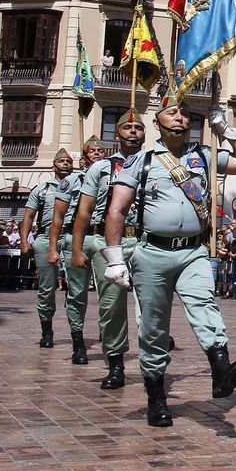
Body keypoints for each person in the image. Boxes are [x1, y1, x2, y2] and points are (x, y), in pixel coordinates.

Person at [101, 97, 236, 428]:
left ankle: (221, 367)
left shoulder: (206, 156)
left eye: (185, 113)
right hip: (152, 254)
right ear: (156, 122)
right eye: (171, 112)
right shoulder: (140, 162)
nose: (180, 118)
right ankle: (156, 397)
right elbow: (116, 208)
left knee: (204, 302)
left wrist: (224, 129)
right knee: (154, 327)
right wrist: (114, 258)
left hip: (192, 251)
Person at [69, 111, 149, 389]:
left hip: (142, 241)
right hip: (107, 243)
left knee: (151, 304)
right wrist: (77, 250)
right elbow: (84, 210)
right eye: (127, 127)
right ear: (117, 135)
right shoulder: (100, 168)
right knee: (111, 305)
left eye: (138, 127)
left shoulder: (153, 165)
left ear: (145, 135)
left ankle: (153, 363)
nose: (133, 131)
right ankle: (115, 363)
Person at [45, 138, 108, 366]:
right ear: (84, 156)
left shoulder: (110, 179)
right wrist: (53, 248)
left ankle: (107, 336)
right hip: (75, 237)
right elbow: (57, 218)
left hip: (101, 237)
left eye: (101, 150)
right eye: (93, 151)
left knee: (108, 293)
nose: (98, 153)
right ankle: (78, 341)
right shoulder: (71, 181)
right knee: (77, 293)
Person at [20, 149, 75, 348]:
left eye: (68, 161)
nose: (65, 164)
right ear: (54, 166)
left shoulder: (79, 186)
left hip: (70, 237)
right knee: (46, 288)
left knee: (76, 288)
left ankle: (76, 330)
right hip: (44, 238)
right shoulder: (42, 189)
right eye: (61, 161)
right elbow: (28, 216)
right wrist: (24, 240)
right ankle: (47, 331)